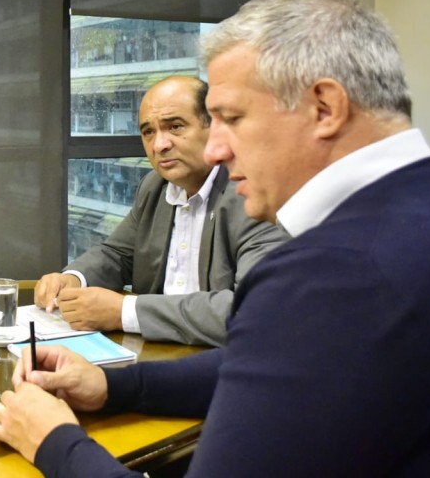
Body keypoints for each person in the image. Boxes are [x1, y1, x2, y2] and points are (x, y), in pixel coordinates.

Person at [0, 0, 430, 476]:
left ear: (324, 108)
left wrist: (54, 442)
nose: (216, 150)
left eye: (232, 119)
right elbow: (270, 360)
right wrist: (115, 387)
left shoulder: (331, 274)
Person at [35, 76, 286, 346]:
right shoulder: (155, 187)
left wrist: (123, 312)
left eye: (175, 127)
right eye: (148, 132)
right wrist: (73, 278)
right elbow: (117, 254)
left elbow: (251, 309)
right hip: (153, 350)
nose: (159, 145)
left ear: (214, 128)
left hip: (222, 359)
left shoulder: (252, 195)